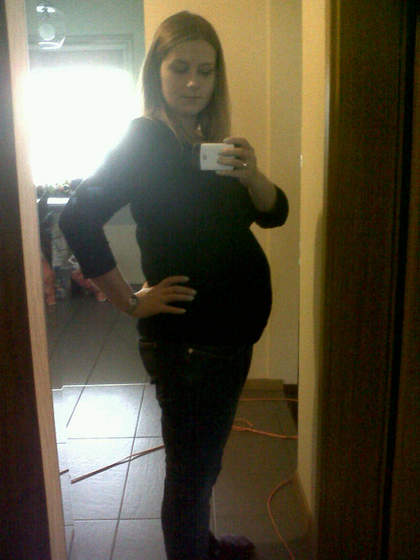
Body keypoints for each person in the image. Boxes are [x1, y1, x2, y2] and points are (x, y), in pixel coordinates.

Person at [59, 11, 288, 560]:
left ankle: (202, 545)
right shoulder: (146, 139)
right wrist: (128, 300)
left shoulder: (202, 142)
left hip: (223, 339)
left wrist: (252, 175)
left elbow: (274, 214)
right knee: (191, 473)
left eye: (205, 71)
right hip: (192, 345)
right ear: (155, 73)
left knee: (201, 464)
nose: (193, 83)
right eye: (180, 68)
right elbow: (78, 217)